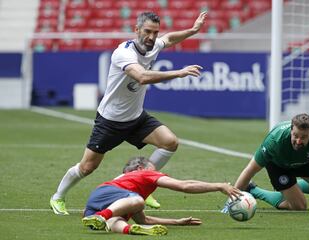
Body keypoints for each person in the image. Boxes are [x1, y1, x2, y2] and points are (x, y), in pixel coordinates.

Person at [50, 11, 208, 215]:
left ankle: (141, 183)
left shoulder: (154, 45)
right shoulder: (123, 53)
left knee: (170, 142)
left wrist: (193, 30)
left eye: (155, 32)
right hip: (111, 121)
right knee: (87, 167)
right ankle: (58, 197)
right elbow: (141, 76)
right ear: (137, 30)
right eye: (147, 32)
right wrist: (179, 72)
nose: (151, 37)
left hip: (136, 118)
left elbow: (168, 39)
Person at [81, 156, 241, 236]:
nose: (156, 171)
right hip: (108, 196)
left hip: (94, 204)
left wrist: (177, 222)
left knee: (117, 220)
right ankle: (103, 216)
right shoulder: (144, 175)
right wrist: (219, 185)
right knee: (138, 201)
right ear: (140, 167)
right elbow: (184, 186)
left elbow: (144, 219)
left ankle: (130, 230)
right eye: (153, 168)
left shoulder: (127, 187)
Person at [222, 113, 309, 214]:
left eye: (303, 137)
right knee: (300, 207)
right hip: (278, 165)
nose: (298, 141)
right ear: (291, 130)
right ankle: (253, 190)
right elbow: (250, 170)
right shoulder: (274, 141)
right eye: (295, 136)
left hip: (303, 161)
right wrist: (230, 203)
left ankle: (291, 189)